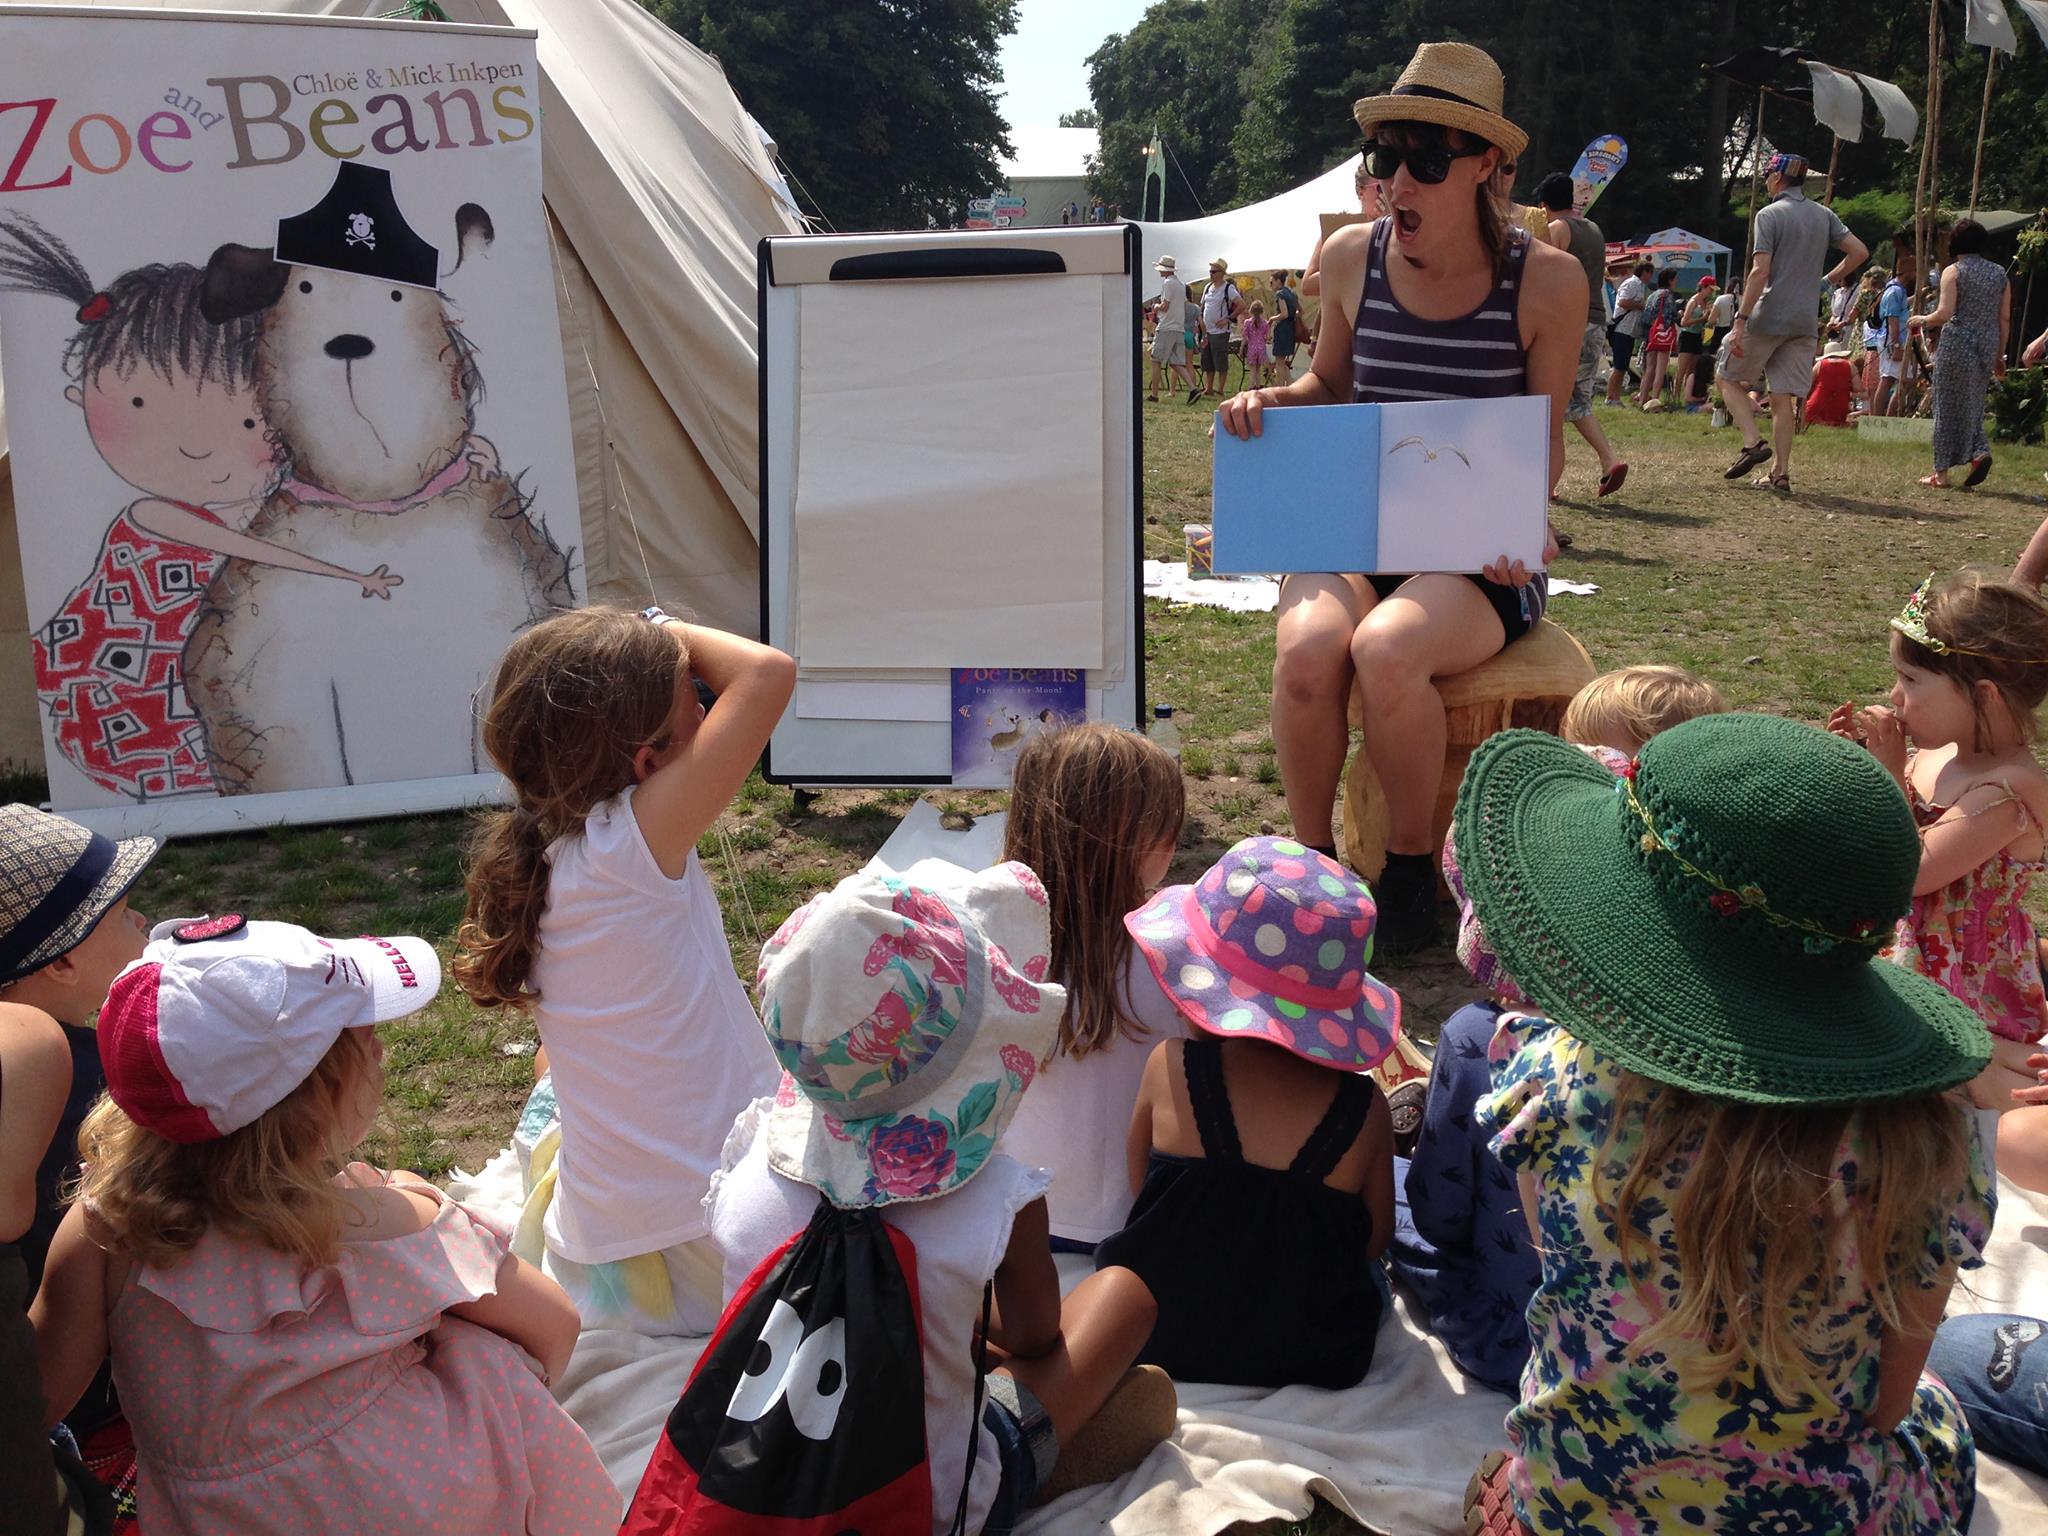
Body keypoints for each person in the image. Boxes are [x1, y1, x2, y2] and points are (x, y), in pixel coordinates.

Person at [1457, 711, 1993, 1536]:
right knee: (1940, 1406)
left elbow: (1557, 1277)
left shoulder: (1549, 1078)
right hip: (1822, 1517)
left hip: (1578, 1509)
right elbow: (1886, 1409)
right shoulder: (1930, 1145)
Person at [31, 919, 617, 1536]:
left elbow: (36, 1395)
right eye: (366, 1039)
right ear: (317, 1097)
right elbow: (554, 1324)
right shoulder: (382, 1218)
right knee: (481, 1348)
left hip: (212, 1518)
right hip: (416, 1504)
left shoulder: (106, 1230)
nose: (382, 1050)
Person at [1217, 41, 1581, 954]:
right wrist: (1272, 401)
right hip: (1355, 522)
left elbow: (1542, 445)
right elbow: (1328, 385)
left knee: (1387, 649)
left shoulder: (1547, 281)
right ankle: (1313, 871)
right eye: (1387, 157)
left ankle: (1410, 873)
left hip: (1474, 548)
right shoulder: (1348, 259)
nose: (1398, 181)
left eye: (1427, 159)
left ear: (1489, 168)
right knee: (1307, 653)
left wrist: (1521, 523)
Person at [708, 866, 1175, 1531]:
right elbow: (1041, 1334)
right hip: (922, 1504)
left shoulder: (750, 1172)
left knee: (918, 1327)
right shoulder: (996, 1197)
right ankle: (1041, 1455)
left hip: (765, 1473)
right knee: (1123, 1296)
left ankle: (962, 1361)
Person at [454, 605, 793, 1335]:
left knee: (553, 1066)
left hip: (613, 1237)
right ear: (647, 762)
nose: (710, 711)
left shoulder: (552, 849)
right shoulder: (624, 846)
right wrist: (660, 625)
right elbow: (767, 674)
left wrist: (640, 649)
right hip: (712, 1231)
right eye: (696, 705)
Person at [1395, 665, 1725, 1396]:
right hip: (1687, 1366)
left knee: (1397, 1205)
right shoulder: (1714, 1042)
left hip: (1520, 1345)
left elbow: (1439, 1212)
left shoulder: (1482, 1039)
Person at [0, 217, 402, 801]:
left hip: (217, 668)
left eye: (246, 419)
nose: (195, 445)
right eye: (138, 403)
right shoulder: (154, 516)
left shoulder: (270, 494)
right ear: (80, 396)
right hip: (137, 685)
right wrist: (350, 575)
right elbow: (258, 551)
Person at [1097, 836, 1397, 1390]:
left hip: (1163, 1328)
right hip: (1318, 1348)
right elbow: (1375, 1238)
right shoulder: (1365, 1110)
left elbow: (1142, 1188)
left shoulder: (1170, 1068)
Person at [1827, 571, 2048, 1109]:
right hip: (1907, 953)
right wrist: (1858, 773)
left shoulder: (2008, 790)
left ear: (1985, 695)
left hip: (1965, 977)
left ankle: (1989, 1066)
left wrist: (1886, 776)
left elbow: (1915, 870)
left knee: (1942, 1078)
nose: (1893, 694)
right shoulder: (1940, 753)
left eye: (1910, 680)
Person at [999, 723, 1188, 1252]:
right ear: (1143, 844)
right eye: (1167, 830)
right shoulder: (1177, 954)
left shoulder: (986, 950)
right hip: (1139, 1219)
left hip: (1013, 1219)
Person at [1720, 152, 1869, 492]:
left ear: (1776, 178)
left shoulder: (1769, 215)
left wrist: (1740, 320)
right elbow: (1859, 251)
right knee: (1782, 398)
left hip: (1769, 313)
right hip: (1804, 319)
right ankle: (1780, 473)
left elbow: (1760, 271)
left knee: (1726, 378)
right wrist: (1828, 281)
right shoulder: (1823, 215)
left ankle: (1753, 443)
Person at [1539, 170, 1626, 496]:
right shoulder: (1594, 229)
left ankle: (1545, 488)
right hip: (1596, 321)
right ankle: (1608, 461)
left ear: (1545, 205)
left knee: (1547, 401)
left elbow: (1545, 274)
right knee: (1578, 401)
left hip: (1568, 322)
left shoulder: (1557, 229)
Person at [1909, 219, 2011, 488]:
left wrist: (1921, 319)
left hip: (1958, 343)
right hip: (1986, 344)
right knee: (1974, 404)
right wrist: (2000, 355)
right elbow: (2004, 318)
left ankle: (1941, 473)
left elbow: (1944, 314)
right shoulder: (2000, 273)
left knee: (1945, 405)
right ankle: (1978, 452)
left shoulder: (1953, 271)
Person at [1303, 160, 1387, 300]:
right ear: (1361, 192)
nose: (1386, 193)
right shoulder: (1340, 228)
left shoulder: (1399, 229)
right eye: (1379, 188)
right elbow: (1308, 284)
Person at [1145, 254, 1195, 402]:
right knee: (1175, 361)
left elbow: (1165, 306)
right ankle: (1193, 388)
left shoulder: (1167, 283)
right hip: (1178, 327)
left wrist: (1155, 307)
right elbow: (1183, 304)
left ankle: (1154, 394)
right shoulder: (1181, 285)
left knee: (1156, 360)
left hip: (1166, 326)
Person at [1874, 252, 1917, 418]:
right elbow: (1893, 319)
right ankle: (1882, 419)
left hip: (1896, 339)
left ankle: (1887, 418)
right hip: (1893, 340)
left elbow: (1902, 307)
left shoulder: (1897, 289)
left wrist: (1920, 296)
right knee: (1890, 380)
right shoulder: (1894, 291)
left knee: (1898, 380)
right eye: (1914, 271)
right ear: (1908, 272)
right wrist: (1897, 345)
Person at [1196, 258, 1242, 400]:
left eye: (1214, 271)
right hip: (1206, 330)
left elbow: (1242, 305)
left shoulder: (1229, 288)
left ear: (1222, 273)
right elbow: (1203, 306)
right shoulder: (1208, 287)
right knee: (1207, 359)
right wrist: (1200, 324)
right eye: (1210, 271)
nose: (1211, 274)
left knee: (1220, 360)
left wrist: (1227, 319)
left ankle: (1220, 390)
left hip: (1220, 332)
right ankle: (1208, 388)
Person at [1605, 260, 1650, 404]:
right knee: (1619, 366)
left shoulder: (1640, 286)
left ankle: (1615, 398)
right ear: (1645, 272)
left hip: (1630, 331)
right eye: (1650, 273)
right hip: (1622, 329)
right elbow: (1622, 302)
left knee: (1623, 367)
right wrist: (1641, 306)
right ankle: (1609, 397)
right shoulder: (1632, 283)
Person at [1634, 268, 1680, 408]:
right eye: (1675, 279)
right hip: (1662, 336)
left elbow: (1646, 316)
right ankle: (1654, 400)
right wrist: (1679, 314)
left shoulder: (1652, 295)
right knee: (1660, 369)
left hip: (1650, 335)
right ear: (1670, 280)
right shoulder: (1668, 295)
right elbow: (1669, 316)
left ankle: (1642, 399)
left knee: (1649, 369)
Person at [1804, 333, 1856, 427]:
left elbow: (1807, 384)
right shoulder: (1850, 365)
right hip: (1840, 406)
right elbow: (1858, 387)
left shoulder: (1820, 364)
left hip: (1817, 405)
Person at [1675, 278, 1712, 406]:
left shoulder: (1706, 303)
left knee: (1691, 371)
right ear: (1704, 287)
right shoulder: (1693, 301)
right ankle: (1675, 397)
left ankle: (1687, 397)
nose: (1711, 292)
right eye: (1710, 289)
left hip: (1697, 337)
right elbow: (1684, 322)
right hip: (1687, 336)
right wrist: (1701, 319)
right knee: (1681, 370)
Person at [1269, 270, 1303, 384]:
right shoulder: (1292, 293)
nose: (1271, 285)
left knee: (1279, 362)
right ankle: (1290, 384)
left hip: (1282, 329)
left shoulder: (1280, 294)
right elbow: (1301, 311)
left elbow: (1284, 314)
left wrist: (1272, 319)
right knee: (1283, 362)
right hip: (1291, 329)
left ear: (1278, 281)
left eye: (1271, 282)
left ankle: (1280, 388)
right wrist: (1294, 315)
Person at [1241, 299, 1273, 387]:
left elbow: (1245, 337)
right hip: (1261, 348)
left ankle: (1251, 387)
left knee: (1252, 370)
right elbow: (1267, 337)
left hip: (1252, 348)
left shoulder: (1247, 323)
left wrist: (1241, 348)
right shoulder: (1265, 323)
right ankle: (1258, 386)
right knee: (1258, 370)